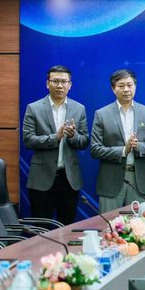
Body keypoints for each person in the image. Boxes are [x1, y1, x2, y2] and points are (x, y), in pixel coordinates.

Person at [22, 65, 89, 224]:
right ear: (47, 83)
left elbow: (84, 141)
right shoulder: (34, 108)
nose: (60, 85)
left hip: (69, 179)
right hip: (41, 178)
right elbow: (28, 140)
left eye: (64, 82)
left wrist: (72, 136)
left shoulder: (79, 109)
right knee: (41, 227)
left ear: (70, 85)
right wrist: (55, 138)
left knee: (67, 226)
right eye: (55, 81)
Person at [90, 69, 145, 213]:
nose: (126, 89)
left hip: (139, 180)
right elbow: (95, 149)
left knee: (140, 224)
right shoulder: (102, 114)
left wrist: (139, 146)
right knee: (109, 223)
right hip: (110, 180)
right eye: (121, 86)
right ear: (113, 89)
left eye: (129, 85)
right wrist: (123, 150)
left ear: (135, 86)